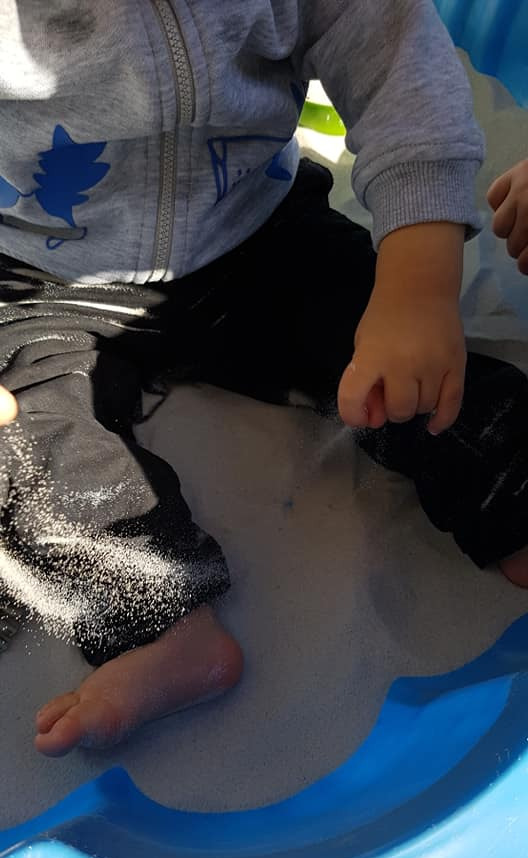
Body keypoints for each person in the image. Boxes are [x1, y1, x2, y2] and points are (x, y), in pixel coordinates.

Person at [0, 1, 524, 760]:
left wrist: (418, 284)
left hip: (258, 233)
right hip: (42, 274)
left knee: (405, 365)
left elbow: (399, 68)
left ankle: (511, 491)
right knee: (20, 439)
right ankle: (154, 622)